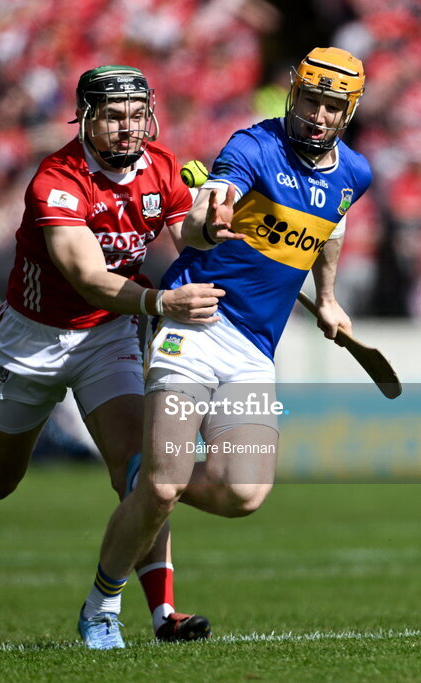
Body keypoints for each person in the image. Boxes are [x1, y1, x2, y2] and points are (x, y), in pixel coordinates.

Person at [78, 47, 372, 648]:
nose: (317, 115)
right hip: (195, 322)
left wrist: (330, 295)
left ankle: (152, 468)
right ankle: (101, 608)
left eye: (331, 106)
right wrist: (210, 220)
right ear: (295, 94)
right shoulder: (253, 147)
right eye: (310, 100)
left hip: (253, 350)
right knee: (161, 491)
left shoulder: (355, 173)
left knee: (244, 493)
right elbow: (207, 206)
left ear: (349, 111)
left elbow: (332, 225)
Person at [0, 65, 237, 648]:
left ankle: (160, 613)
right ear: (85, 118)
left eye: (137, 115)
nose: (127, 128)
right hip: (34, 338)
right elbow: (88, 277)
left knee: (145, 475)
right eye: (113, 116)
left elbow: (186, 232)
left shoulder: (161, 166)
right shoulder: (55, 180)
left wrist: (210, 224)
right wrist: (163, 300)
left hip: (108, 335)